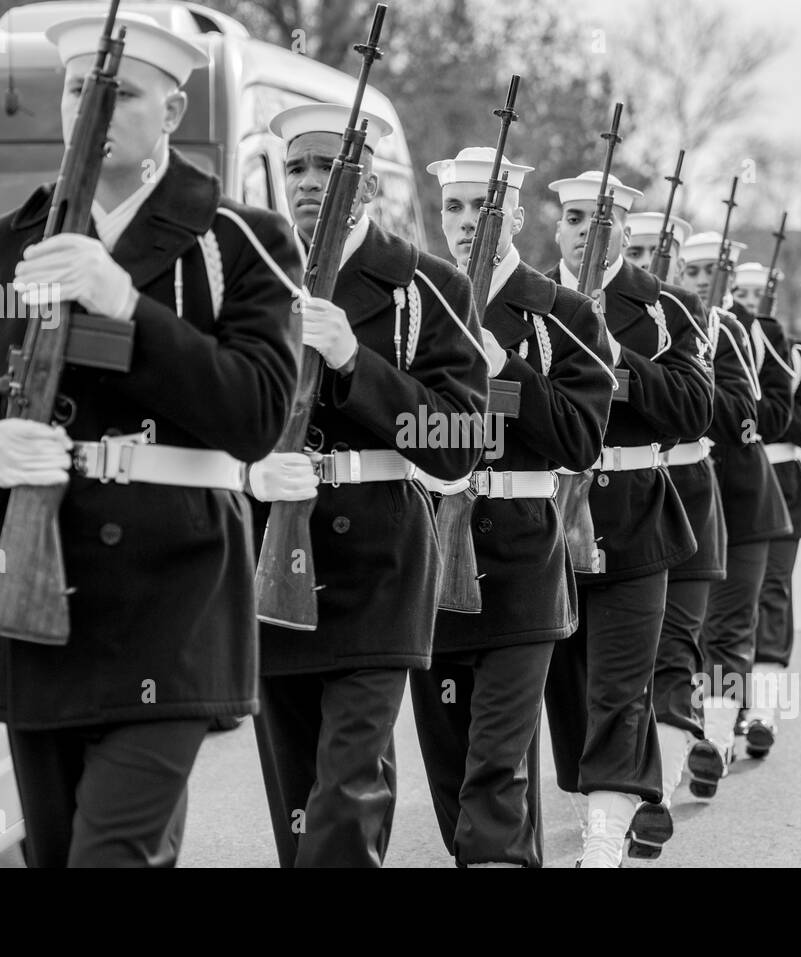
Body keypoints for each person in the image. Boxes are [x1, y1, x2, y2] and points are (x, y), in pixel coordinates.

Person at [0, 14, 301, 866]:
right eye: (80, 88)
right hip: (37, 597)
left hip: (176, 599)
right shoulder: (2, 246)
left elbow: (259, 413)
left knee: (110, 853)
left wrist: (127, 306)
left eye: (118, 92)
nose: (93, 107)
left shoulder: (241, 243)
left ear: (172, 108)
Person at [249, 104, 489, 868]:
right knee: (296, 794)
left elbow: (459, 441)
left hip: (381, 560)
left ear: (369, 182)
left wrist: (357, 362)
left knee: (347, 787)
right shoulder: (256, 274)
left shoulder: (427, 284)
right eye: (297, 168)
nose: (311, 183)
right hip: (274, 551)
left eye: (329, 166)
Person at [408, 147, 613, 867]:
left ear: (518, 219)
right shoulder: (415, 300)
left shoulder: (561, 310)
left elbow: (582, 438)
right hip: (433, 547)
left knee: (497, 760)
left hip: (523, 552)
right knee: (451, 763)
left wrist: (506, 371)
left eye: (482, 208)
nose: (466, 223)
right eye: (453, 208)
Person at [542, 170, 713, 867]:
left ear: (623, 231)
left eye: (601, 217)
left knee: (621, 679)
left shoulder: (666, 307)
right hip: (551, 517)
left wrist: (619, 359)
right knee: (572, 686)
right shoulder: (528, 299)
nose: (586, 228)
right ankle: (622, 797)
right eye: (575, 216)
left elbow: (694, 407)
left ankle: (604, 836)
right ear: (557, 225)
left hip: (637, 514)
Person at [623, 212, 753, 842]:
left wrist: (657, 379)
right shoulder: (592, 309)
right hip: (618, 504)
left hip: (688, 492)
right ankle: (671, 749)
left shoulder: (705, 322)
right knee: (624, 660)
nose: (646, 260)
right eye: (636, 248)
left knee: (679, 647)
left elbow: (737, 414)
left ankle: (660, 792)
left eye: (658, 251)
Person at [677, 232, 794, 798]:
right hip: (688, 502)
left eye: (712, 268)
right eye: (693, 269)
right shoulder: (667, 318)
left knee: (728, 628)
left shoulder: (738, 330)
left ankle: (718, 737)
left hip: (743, 502)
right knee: (686, 632)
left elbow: (752, 417)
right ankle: (690, 731)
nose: (702, 279)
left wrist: (690, 386)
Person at [748, 334, 801, 756]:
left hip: (781, 482)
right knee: (716, 603)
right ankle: (715, 709)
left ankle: (763, 708)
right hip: (721, 482)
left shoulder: (795, 355)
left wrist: (761, 407)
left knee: (771, 593)